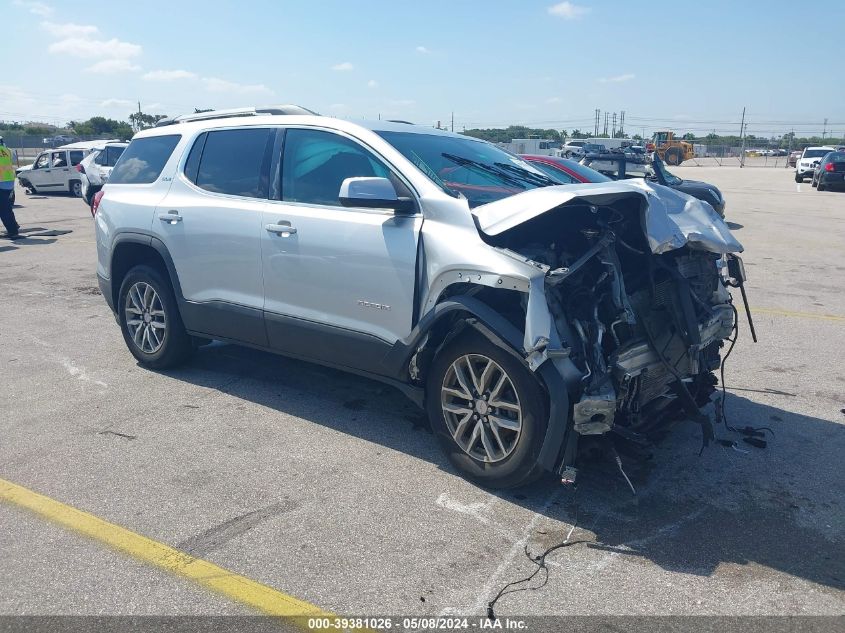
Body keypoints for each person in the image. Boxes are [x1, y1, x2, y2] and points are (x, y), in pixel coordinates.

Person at [0, 136, 21, 238]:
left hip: (1, 183)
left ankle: (13, 230)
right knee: (6, 207)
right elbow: (14, 159)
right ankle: (14, 226)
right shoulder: (8, 151)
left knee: (3, 209)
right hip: (9, 183)